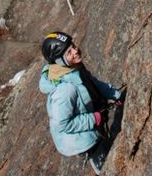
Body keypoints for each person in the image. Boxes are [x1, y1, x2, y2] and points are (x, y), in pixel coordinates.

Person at [39, 32, 124, 175]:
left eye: (73, 46)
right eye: (69, 52)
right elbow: (63, 124)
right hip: (78, 137)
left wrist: (116, 95)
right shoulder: (65, 90)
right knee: (103, 162)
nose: (75, 50)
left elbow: (93, 84)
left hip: (88, 120)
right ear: (59, 61)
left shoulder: (74, 69)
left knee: (105, 145)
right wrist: (93, 119)